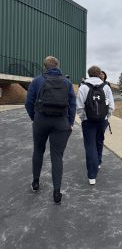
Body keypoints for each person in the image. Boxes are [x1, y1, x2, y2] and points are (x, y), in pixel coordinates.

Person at [25, 56, 76, 204]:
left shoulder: (37, 81)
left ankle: (35, 182)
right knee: (57, 156)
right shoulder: (66, 82)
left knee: (38, 150)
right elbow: (72, 103)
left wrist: (35, 118)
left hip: (41, 119)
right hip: (61, 122)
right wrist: (70, 122)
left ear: (45, 67)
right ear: (57, 66)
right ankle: (57, 192)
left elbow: (28, 102)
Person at [76, 66, 115, 185]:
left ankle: (92, 175)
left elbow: (80, 106)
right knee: (99, 141)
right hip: (102, 120)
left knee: (90, 145)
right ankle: (98, 162)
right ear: (99, 74)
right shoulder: (106, 87)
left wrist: (83, 118)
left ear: (89, 74)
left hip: (88, 121)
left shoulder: (83, 87)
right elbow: (111, 106)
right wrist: (106, 117)